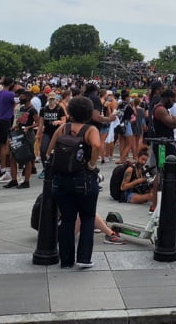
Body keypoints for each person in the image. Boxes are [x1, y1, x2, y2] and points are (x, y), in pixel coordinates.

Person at [48, 95, 101, 268]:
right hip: (83, 178)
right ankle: (84, 258)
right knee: (87, 217)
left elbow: (49, 151)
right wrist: (92, 164)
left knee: (67, 219)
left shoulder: (63, 128)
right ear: (88, 112)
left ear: (70, 111)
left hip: (61, 180)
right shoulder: (90, 130)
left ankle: (66, 259)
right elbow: (96, 146)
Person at [3, 90, 38, 189]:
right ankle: (14, 180)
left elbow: (38, 123)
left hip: (28, 135)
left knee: (27, 158)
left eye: (23, 96)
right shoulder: (22, 108)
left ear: (28, 98)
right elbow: (19, 120)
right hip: (19, 134)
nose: (20, 98)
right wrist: (16, 126)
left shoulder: (32, 110)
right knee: (13, 157)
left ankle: (26, 181)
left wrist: (29, 127)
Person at [36, 92, 66, 177]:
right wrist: (38, 134)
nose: (52, 101)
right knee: (43, 149)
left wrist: (58, 122)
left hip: (57, 132)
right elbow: (41, 123)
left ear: (56, 100)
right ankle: (45, 168)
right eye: (50, 99)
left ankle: (57, 167)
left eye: (53, 99)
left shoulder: (59, 109)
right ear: (48, 100)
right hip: (47, 132)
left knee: (57, 150)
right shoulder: (44, 109)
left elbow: (64, 121)